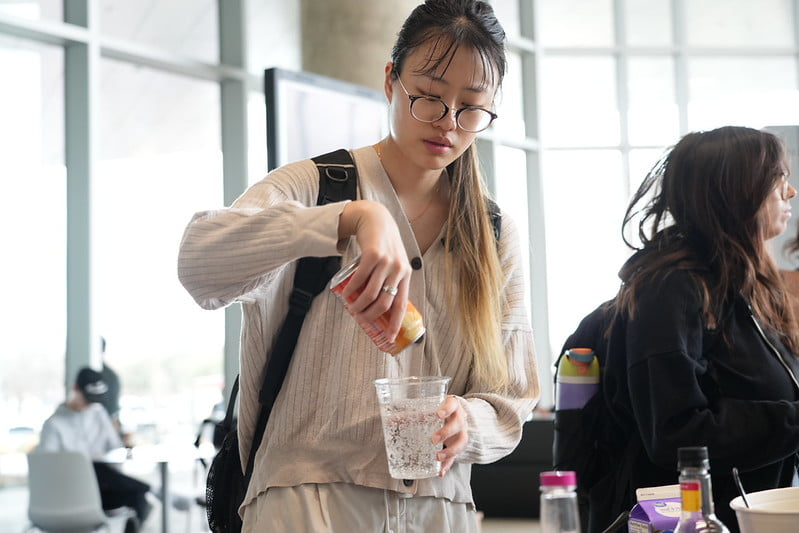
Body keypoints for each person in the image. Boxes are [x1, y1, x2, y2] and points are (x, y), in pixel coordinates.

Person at [177, 0, 539, 530]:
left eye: (471, 108)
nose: (448, 124)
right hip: (307, 503)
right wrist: (346, 218)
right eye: (430, 98)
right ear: (392, 80)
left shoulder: (493, 232)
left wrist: (469, 421)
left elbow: (512, 395)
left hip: (440, 508)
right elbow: (199, 263)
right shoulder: (316, 186)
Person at [597, 126, 799, 533]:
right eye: (779, 180)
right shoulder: (671, 288)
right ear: (739, 191)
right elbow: (674, 434)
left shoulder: (739, 286)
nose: (790, 193)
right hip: (694, 523)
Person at [36, 367, 152, 525]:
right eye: (88, 398)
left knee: (139, 500)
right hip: (71, 492)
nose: (91, 404)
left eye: (96, 400)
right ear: (75, 389)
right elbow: (48, 468)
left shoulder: (98, 413)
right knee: (90, 466)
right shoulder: (54, 424)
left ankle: (148, 489)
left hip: (100, 488)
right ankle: (151, 489)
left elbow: (116, 450)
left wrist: (123, 440)